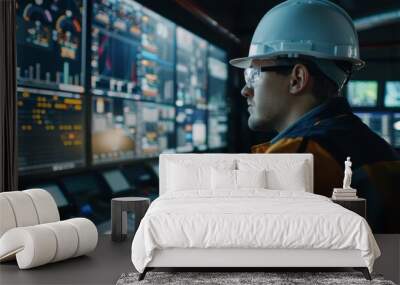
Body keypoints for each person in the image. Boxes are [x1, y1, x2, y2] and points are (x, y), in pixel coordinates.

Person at [229, 0, 400, 233]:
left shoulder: (298, 159)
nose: (245, 90)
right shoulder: (374, 145)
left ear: (297, 78)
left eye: (254, 75)